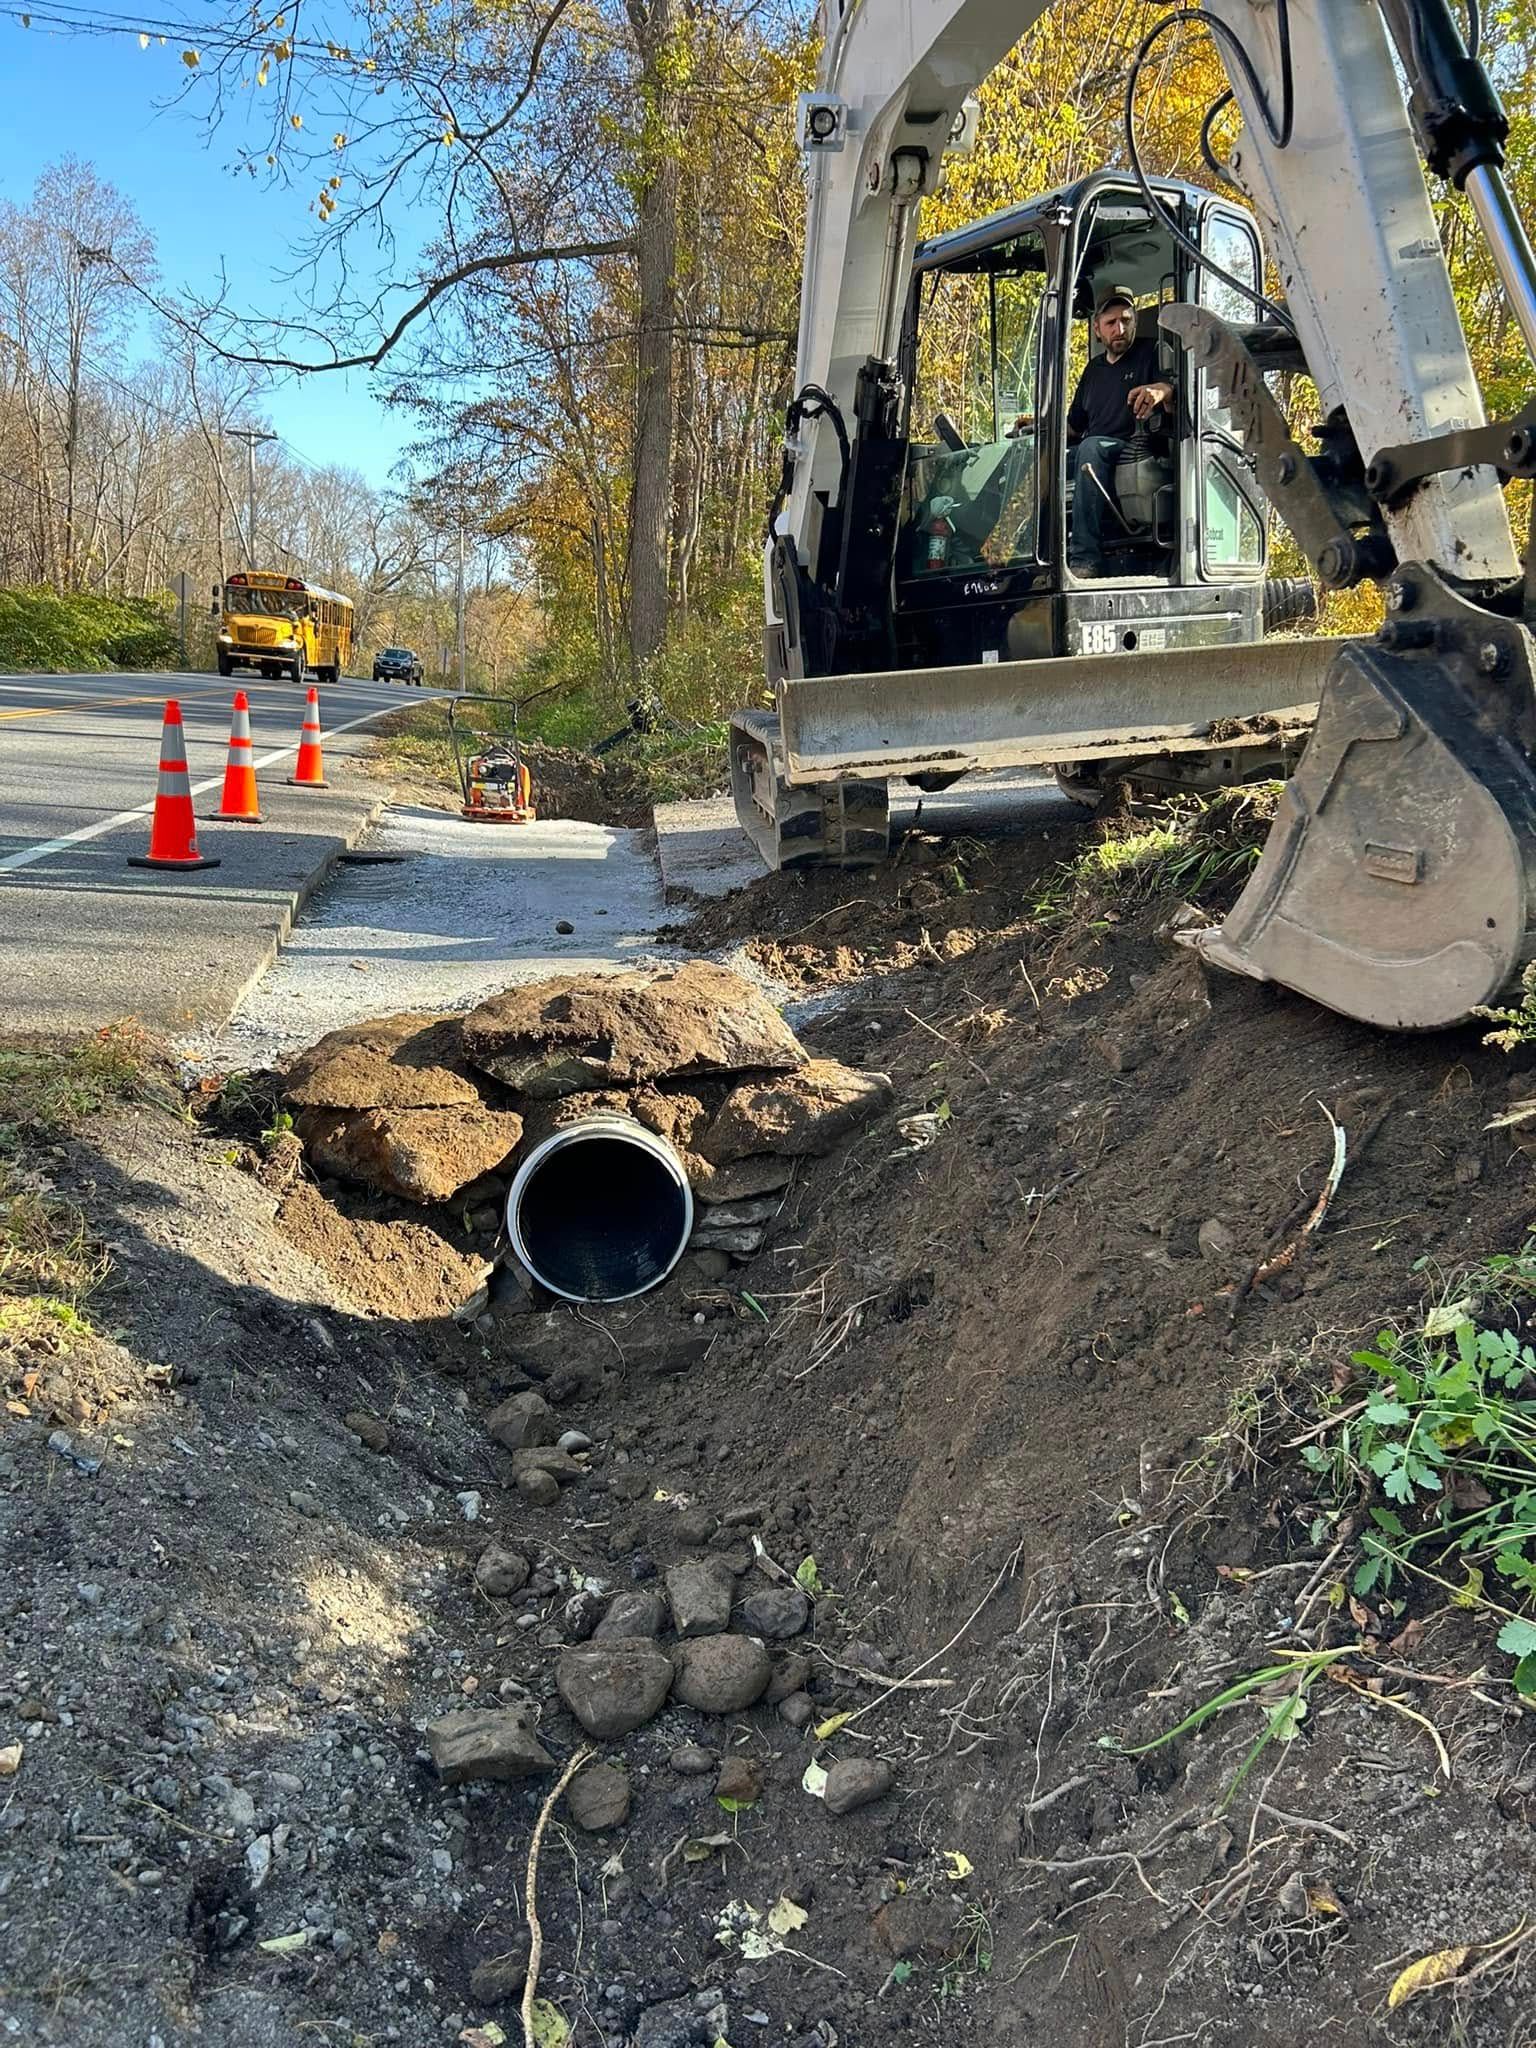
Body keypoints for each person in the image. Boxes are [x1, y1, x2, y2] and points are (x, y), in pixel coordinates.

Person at [1066, 286, 1174, 579]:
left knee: (1090, 449)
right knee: (1041, 455)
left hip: (1130, 447)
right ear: (1097, 329)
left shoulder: (1151, 353)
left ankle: (1084, 559)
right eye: (1111, 323)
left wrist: (1159, 392)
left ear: (1135, 322)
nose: (1120, 328)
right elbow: (1073, 426)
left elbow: (1171, 389)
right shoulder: (1092, 371)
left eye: (1126, 320)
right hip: (1093, 445)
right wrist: (1039, 430)